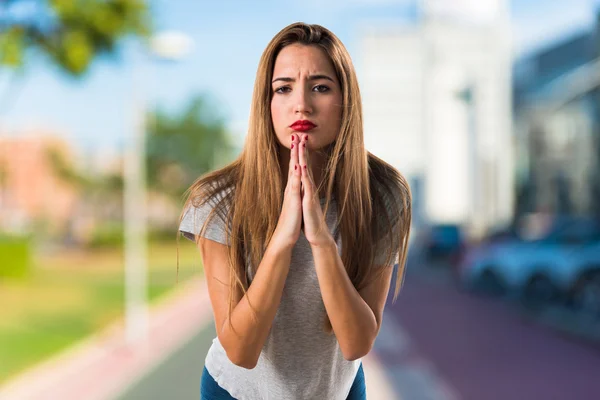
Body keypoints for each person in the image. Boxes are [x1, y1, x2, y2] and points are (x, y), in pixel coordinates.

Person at [178, 22, 411, 400]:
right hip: (235, 392)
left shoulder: (383, 194)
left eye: (320, 87)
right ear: (266, 104)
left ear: (345, 101)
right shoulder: (216, 200)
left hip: (337, 389)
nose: (301, 103)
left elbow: (356, 343)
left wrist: (320, 241)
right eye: (283, 88)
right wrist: (284, 238)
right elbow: (240, 350)